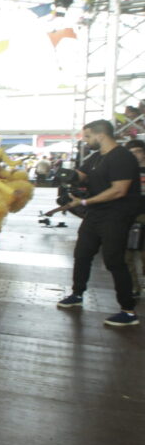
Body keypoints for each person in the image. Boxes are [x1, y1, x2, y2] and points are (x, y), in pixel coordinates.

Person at [57, 120, 143, 326]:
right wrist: (68, 175)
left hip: (116, 215)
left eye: (87, 137)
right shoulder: (97, 157)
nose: (85, 141)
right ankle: (77, 294)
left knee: (114, 261)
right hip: (95, 215)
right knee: (82, 254)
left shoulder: (122, 157)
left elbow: (119, 190)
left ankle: (128, 311)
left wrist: (85, 201)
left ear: (100, 135)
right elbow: (83, 174)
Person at [124, 139, 145, 296]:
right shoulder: (125, 171)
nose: (135, 155)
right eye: (131, 153)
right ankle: (133, 287)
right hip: (128, 215)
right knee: (127, 254)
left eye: (138, 151)